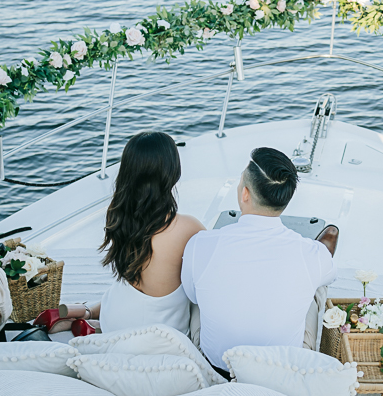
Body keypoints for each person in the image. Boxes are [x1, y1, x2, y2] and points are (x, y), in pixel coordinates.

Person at [181, 146, 338, 376]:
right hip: (283, 368)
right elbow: (334, 275)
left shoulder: (201, 244)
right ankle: (320, 261)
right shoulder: (307, 252)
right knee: (318, 284)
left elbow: (192, 296)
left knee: (196, 290)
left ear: (245, 194)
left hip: (216, 368)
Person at [67, 131, 204, 335]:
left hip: (114, 317)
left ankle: (88, 314)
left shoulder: (118, 215)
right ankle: (88, 316)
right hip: (156, 331)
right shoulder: (187, 227)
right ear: (172, 172)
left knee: (132, 288)